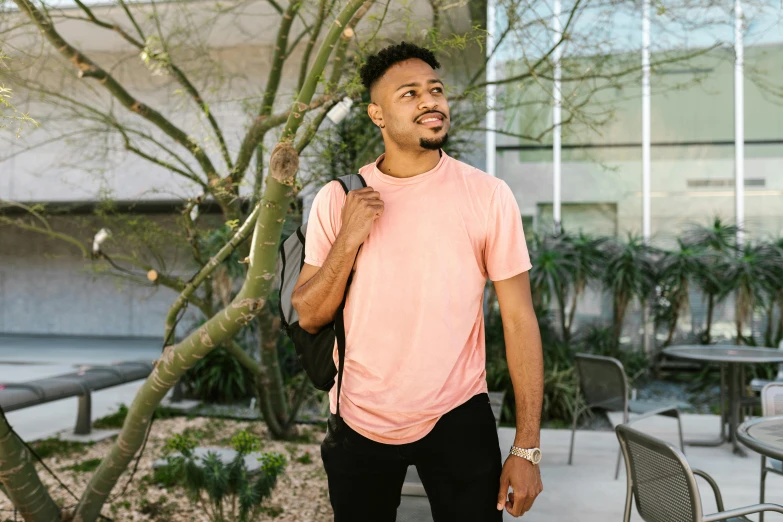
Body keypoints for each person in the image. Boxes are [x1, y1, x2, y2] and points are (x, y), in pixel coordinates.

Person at [291, 42, 544, 521]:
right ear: (377, 115)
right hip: (358, 415)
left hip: (458, 413)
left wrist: (526, 448)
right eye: (409, 93)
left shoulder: (488, 196)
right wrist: (348, 239)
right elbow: (309, 313)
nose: (430, 101)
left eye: (436, 90)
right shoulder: (339, 197)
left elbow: (519, 318)